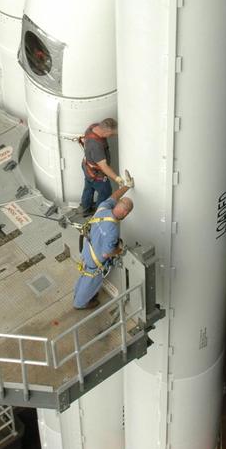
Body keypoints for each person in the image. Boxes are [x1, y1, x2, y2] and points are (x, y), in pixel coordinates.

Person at [73, 182, 133, 310]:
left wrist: (127, 186)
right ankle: (80, 303)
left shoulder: (103, 208)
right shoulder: (113, 230)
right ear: (125, 213)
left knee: (84, 275)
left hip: (86, 250)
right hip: (94, 262)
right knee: (89, 281)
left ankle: (77, 293)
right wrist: (119, 250)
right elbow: (106, 254)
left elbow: (114, 196)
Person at [79, 118, 121, 213]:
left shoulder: (94, 127)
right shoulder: (96, 145)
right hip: (96, 174)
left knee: (89, 188)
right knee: (105, 192)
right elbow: (104, 167)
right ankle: (98, 214)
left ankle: (85, 208)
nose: (112, 136)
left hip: (87, 167)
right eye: (111, 134)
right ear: (106, 131)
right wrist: (117, 179)